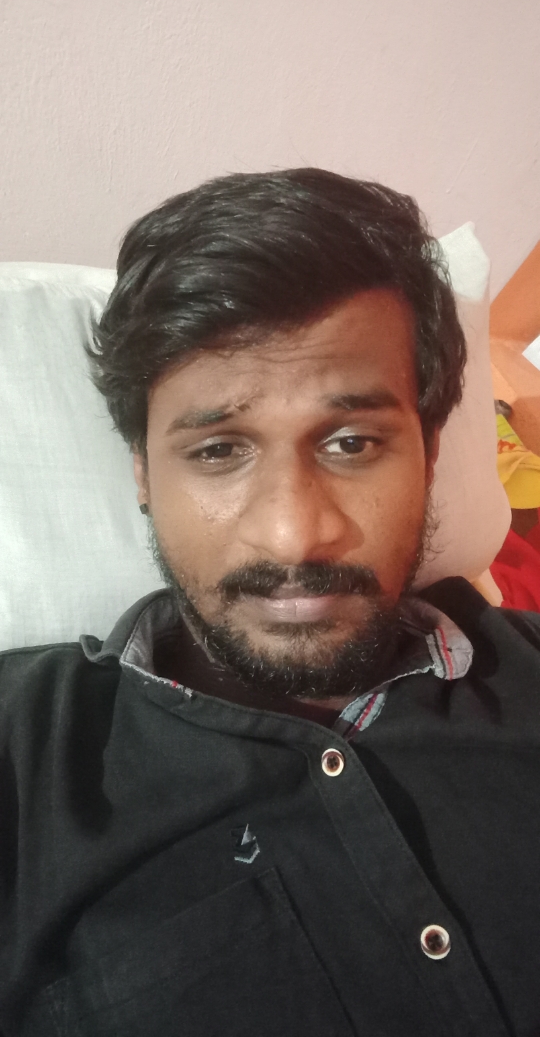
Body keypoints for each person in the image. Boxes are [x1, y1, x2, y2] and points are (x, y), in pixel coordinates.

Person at [1, 169, 539, 1037]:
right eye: (218, 451)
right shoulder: (24, 756)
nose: (295, 536)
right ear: (142, 472)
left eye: (352, 442)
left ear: (432, 451)